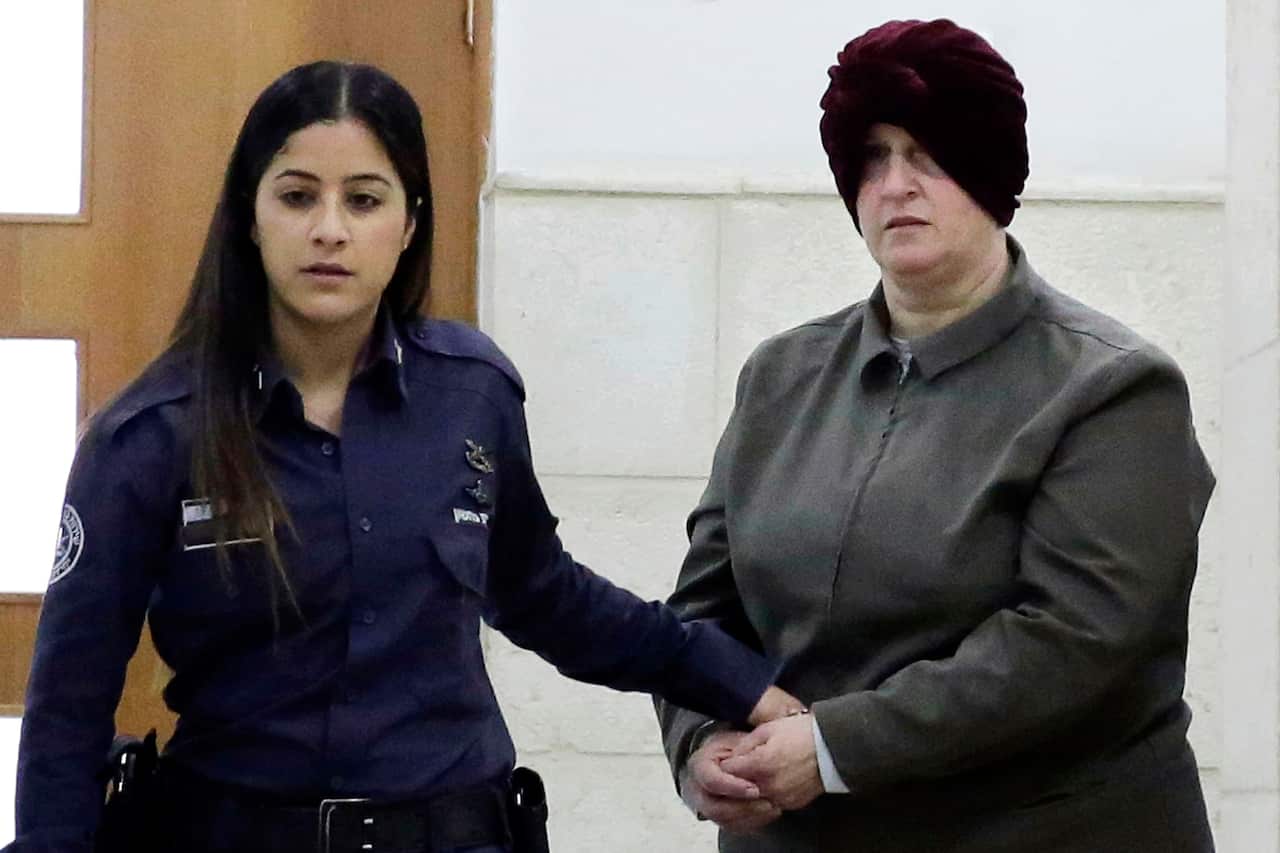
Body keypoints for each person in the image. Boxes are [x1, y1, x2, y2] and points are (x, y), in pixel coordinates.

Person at [7, 61, 801, 853]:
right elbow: (69, 705)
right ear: (250, 216)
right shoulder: (149, 434)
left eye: (364, 198)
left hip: (453, 830)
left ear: (410, 220)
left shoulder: (472, 392)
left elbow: (545, 595)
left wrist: (736, 680)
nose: (329, 229)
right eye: (296, 196)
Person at [655, 18, 1217, 853]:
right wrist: (703, 743)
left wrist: (836, 746)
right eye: (872, 158)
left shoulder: (1113, 388)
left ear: (993, 174)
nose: (896, 185)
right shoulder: (780, 376)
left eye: (928, 154)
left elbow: (1070, 644)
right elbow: (705, 607)